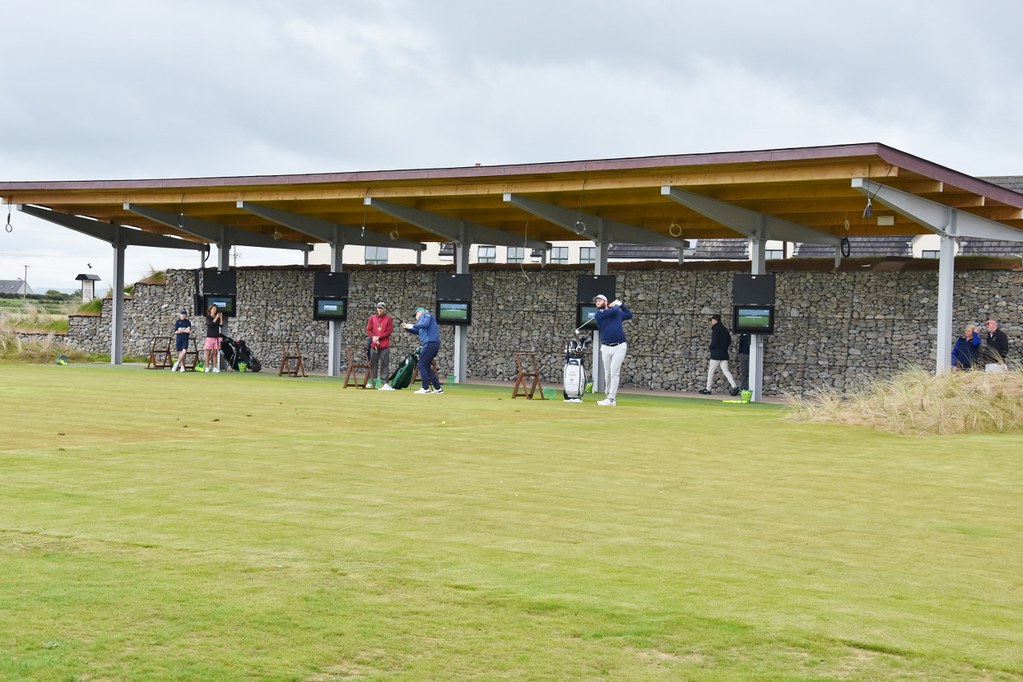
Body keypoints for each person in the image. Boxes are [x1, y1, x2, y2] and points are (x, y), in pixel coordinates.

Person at [592, 294, 633, 407]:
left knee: (614, 372)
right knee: (607, 374)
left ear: (606, 302)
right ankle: (608, 397)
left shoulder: (616, 313)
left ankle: (611, 399)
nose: (597, 302)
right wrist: (616, 305)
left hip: (619, 346)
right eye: (596, 301)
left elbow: (629, 315)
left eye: (599, 300)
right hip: (606, 347)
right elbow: (613, 311)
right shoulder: (599, 314)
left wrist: (621, 304)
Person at [403, 306, 443, 394]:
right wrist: (407, 327)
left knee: (421, 364)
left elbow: (424, 324)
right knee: (426, 367)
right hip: (432, 344)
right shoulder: (423, 323)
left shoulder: (426, 314)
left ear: (420, 312)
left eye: (416, 315)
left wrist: (412, 325)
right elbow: (416, 331)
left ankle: (425, 388)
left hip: (429, 343)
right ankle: (438, 388)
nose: (416, 318)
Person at [700, 313, 739, 396]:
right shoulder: (724, 329)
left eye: (712, 321)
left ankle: (708, 389)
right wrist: (723, 347)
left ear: (714, 321)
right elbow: (729, 341)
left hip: (716, 354)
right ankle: (735, 387)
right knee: (726, 371)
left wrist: (710, 347)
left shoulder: (716, 330)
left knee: (711, 371)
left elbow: (714, 342)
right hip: (724, 353)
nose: (711, 323)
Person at [366, 302, 394, 389]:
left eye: (381, 308)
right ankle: (372, 382)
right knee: (373, 363)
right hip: (374, 344)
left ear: (384, 309)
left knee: (384, 363)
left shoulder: (388, 319)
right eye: (378, 308)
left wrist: (379, 337)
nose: (379, 310)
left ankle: (384, 382)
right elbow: (368, 330)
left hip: (384, 344)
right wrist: (373, 337)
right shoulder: (372, 318)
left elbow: (389, 331)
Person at [203, 303, 224, 373]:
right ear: (210, 310)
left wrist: (220, 317)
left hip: (216, 337)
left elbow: (221, 325)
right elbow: (210, 325)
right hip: (209, 337)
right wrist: (216, 318)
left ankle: (215, 367)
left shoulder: (217, 317)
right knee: (208, 353)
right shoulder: (208, 317)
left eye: (216, 309)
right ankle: (207, 367)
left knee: (215, 353)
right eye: (213, 309)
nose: (215, 310)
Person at [170, 308, 192, 373]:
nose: (183, 315)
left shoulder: (188, 322)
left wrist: (182, 330)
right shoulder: (178, 322)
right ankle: (182, 367)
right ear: (180, 315)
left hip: (185, 339)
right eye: (182, 314)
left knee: (184, 351)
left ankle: (177, 363)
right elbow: (176, 332)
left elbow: (188, 331)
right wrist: (183, 330)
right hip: (179, 338)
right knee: (180, 353)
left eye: (184, 314)